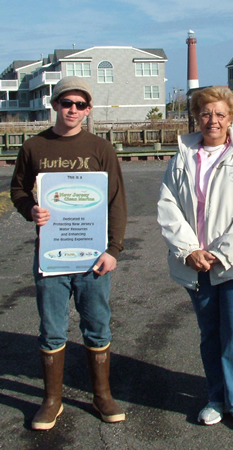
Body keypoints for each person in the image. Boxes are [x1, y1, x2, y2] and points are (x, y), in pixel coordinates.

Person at [10, 76, 128, 430]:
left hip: (93, 256)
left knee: (97, 324)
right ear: (55, 105)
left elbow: (116, 202)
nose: (73, 109)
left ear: (88, 109)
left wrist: (114, 249)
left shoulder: (100, 148)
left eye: (80, 104)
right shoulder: (34, 147)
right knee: (52, 329)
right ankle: (52, 400)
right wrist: (30, 208)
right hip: (52, 254)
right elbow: (17, 189)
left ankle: (102, 395)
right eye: (66, 103)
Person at [157, 86, 233, 432]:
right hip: (196, 263)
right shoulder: (181, 156)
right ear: (197, 116)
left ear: (231, 118)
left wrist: (221, 254)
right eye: (206, 113)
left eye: (220, 114)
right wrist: (189, 250)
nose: (213, 120)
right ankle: (216, 399)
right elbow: (168, 206)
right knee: (210, 334)